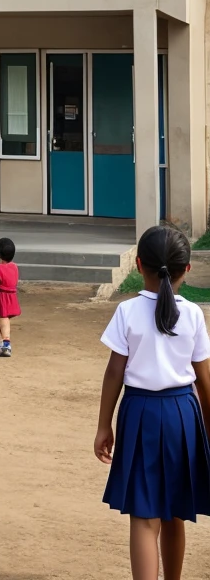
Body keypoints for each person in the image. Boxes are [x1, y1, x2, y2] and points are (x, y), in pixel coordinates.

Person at [94, 226, 210, 580]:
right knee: (176, 511)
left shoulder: (127, 312)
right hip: (182, 415)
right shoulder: (192, 315)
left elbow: (115, 372)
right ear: (186, 269)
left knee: (145, 517)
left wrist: (103, 425)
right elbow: (204, 381)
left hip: (140, 413)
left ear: (139, 264)